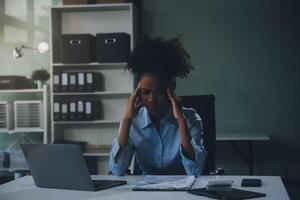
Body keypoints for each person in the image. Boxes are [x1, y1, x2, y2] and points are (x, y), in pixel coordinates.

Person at [109, 36, 206, 176]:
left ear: (171, 88)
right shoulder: (133, 122)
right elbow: (117, 170)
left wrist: (181, 121)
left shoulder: (191, 118)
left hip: (181, 192)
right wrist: (126, 120)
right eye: (145, 92)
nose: (151, 99)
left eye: (159, 92)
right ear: (137, 91)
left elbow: (195, 171)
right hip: (144, 193)